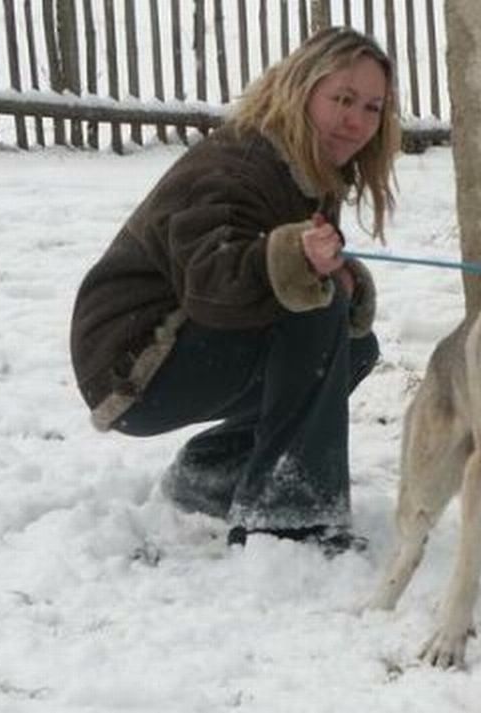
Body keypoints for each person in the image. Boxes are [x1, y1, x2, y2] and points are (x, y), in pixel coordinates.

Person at [69, 27, 401, 554]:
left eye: (372, 106)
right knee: (317, 307)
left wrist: (333, 272)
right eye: (342, 98)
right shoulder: (240, 165)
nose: (357, 120)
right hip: (133, 361)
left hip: (185, 345)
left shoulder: (305, 169)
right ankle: (288, 519)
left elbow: (277, 276)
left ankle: (212, 472)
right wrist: (301, 263)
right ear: (301, 88)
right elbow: (213, 285)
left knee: (355, 348)